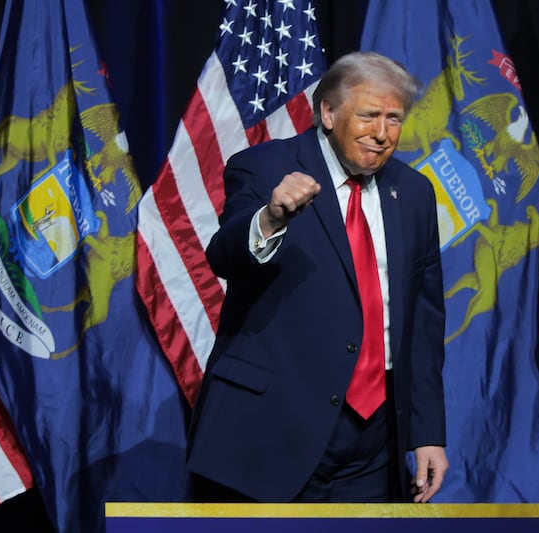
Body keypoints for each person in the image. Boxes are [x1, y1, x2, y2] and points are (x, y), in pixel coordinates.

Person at [186, 51, 448, 503]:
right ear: (328, 112)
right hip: (270, 430)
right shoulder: (264, 167)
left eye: (394, 119)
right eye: (369, 116)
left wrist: (427, 431)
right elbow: (223, 256)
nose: (382, 134)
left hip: (372, 443)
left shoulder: (415, 193)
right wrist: (270, 217)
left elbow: (423, 322)